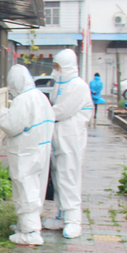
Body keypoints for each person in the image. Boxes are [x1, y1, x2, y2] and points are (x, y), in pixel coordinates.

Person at [0, 65, 55, 245]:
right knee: (35, 189)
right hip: (41, 148)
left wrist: (3, 114)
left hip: (26, 152)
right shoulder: (41, 96)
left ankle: (30, 232)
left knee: (25, 189)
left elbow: (11, 126)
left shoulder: (23, 100)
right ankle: (26, 225)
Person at [42, 50, 93, 239]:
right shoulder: (60, 85)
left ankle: (73, 220)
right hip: (59, 139)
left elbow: (62, 110)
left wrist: (41, 113)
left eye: (58, 67)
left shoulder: (78, 86)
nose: (55, 70)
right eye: (54, 66)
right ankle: (62, 216)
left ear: (68, 66)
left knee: (69, 177)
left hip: (71, 139)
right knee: (59, 178)